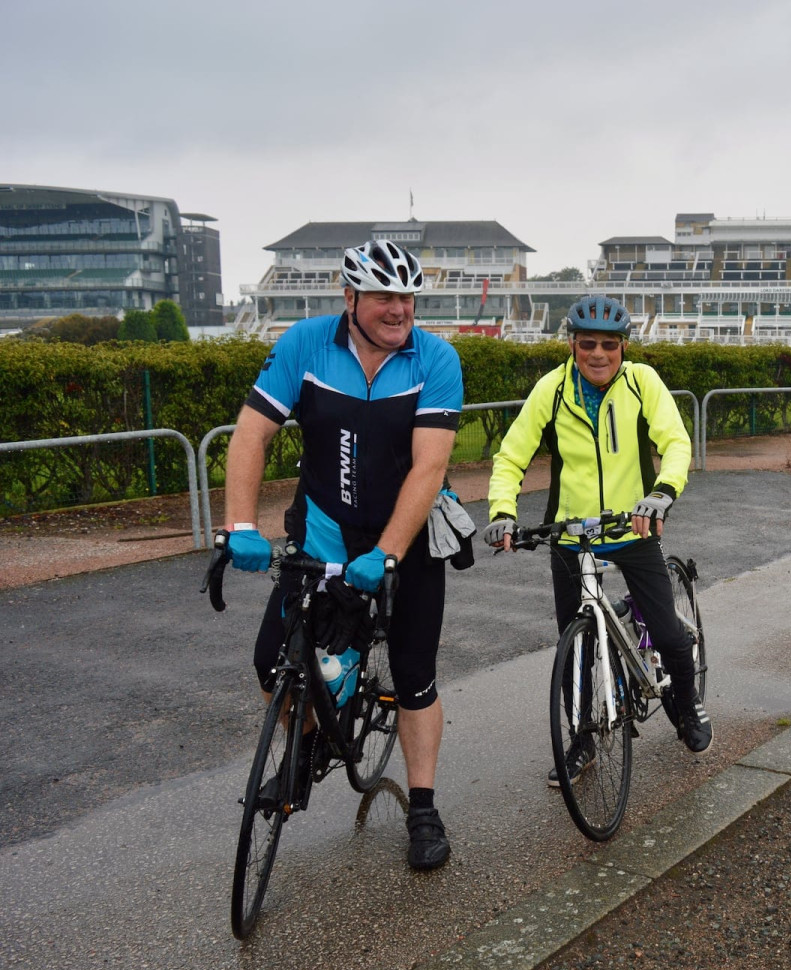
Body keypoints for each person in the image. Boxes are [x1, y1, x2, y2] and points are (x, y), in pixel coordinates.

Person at [221, 239, 463, 870]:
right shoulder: (305, 344)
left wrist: (385, 552)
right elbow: (253, 432)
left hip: (404, 540)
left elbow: (430, 467)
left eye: (407, 296)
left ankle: (422, 806)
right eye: (384, 295)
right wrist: (240, 525)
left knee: (414, 676)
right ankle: (302, 759)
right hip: (323, 532)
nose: (398, 308)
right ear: (350, 298)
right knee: (273, 661)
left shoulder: (435, 358)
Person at [483, 294, 709, 785]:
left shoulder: (641, 381)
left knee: (670, 634)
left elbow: (675, 442)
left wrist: (662, 493)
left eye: (610, 344)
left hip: (634, 526)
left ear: (623, 346)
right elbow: (511, 457)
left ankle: (688, 708)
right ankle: (581, 739)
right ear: (572, 344)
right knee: (574, 645)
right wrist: (502, 512)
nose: (599, 354)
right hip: (571, 535)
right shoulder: (552, 389)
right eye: (589, 344)